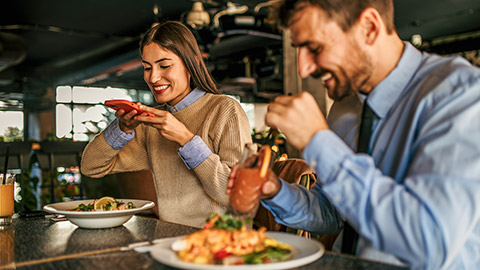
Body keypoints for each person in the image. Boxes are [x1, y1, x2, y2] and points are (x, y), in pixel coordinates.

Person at [228, 0, 480, 269]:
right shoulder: (344, 109)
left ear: (369, 28)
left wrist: (318, 141)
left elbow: (428, 244)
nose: (304, 69)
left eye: (315, 48)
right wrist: (275, 190)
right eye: (298, 50)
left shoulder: (459, 95)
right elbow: (334, 213)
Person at [81, 21, 252, 228]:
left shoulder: (225, 109)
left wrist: (186, 140)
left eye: (164, 66)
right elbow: (90, 166)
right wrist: (122, 129)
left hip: (220, 246)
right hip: (169, 242)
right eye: (147, 67)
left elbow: (236, 196)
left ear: (193, 64)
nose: (153, 77)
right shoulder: (150, 125)